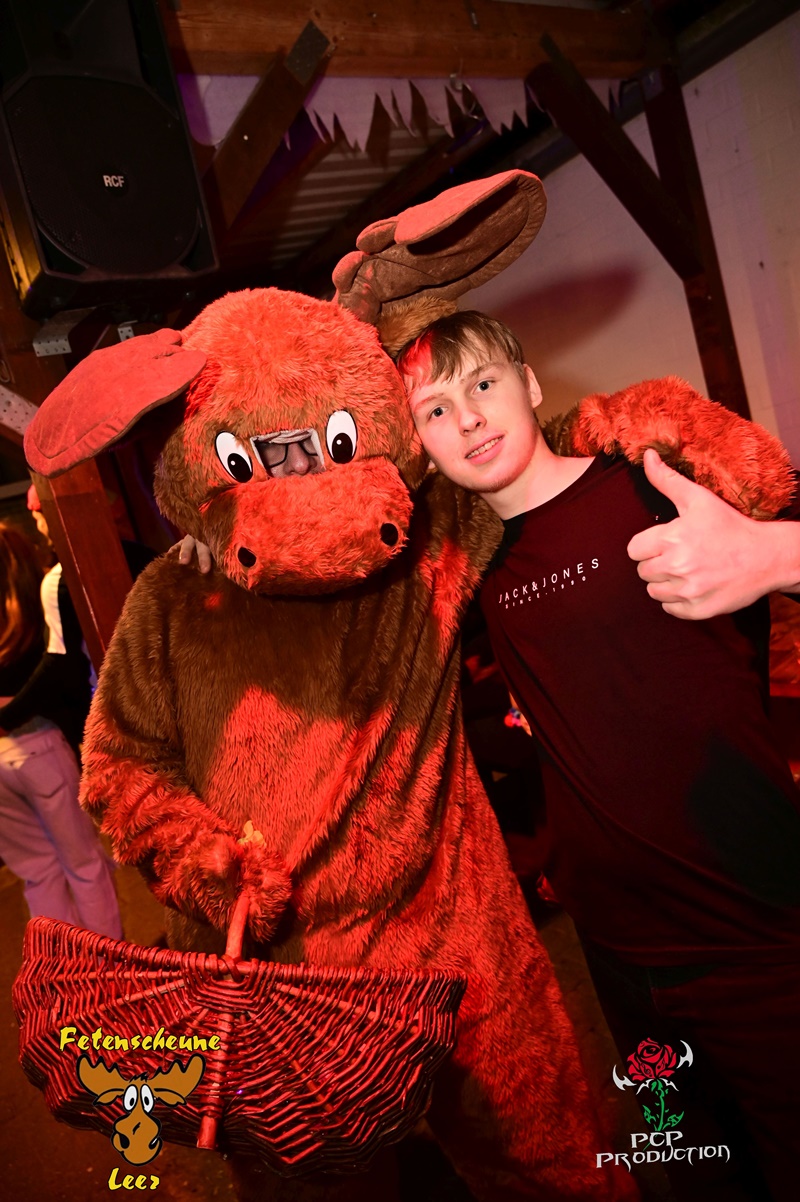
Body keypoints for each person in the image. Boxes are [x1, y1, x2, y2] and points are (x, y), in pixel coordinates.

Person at [397, 309, 800, 1202]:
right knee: (694, 1179)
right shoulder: (468, 564)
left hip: (760, 933)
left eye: (483, 384)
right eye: (435, 410)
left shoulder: (653, 480)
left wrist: (778, 554)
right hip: (618, 953)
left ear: (530, 384)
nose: (468, 418)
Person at [0, 518, 122, 937]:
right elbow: (62, 675)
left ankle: (63, 968)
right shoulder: (36, 609)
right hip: (39, 747)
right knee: (85, 865)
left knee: (37, 873)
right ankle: (108, 966)